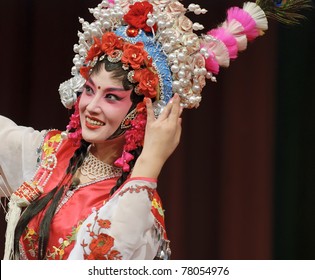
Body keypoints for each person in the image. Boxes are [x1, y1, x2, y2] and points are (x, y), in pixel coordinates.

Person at [0, 0, 311, 260]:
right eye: (90, 89)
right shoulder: (49, 154)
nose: (91, 106)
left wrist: (150, 162)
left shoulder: (139, 209)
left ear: (141, 111)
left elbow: (98, 257)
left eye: (111, 97)